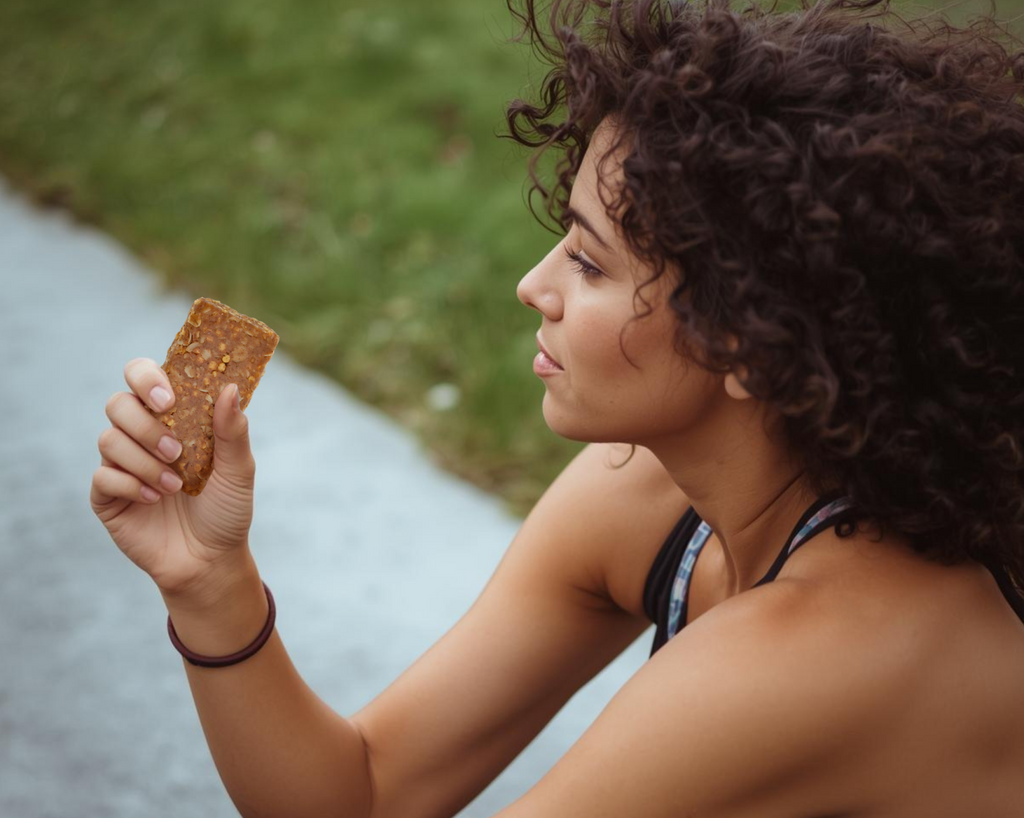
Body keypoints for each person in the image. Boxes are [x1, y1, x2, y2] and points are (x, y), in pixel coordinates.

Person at [90, 0, 1024, 814]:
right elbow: (368, 794)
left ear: (748, 338)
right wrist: (211, 581)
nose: (533, 286)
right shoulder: (651, 502)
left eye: (587, 260)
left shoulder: (814, 658)